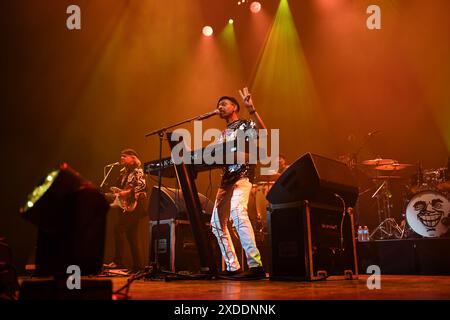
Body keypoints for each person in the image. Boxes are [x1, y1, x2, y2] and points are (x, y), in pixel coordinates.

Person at [210, 87, 267, 280]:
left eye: (224, 103)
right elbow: (214, 155)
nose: (220, 106)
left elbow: (263, 133)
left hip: (242, 176)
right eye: (218, 105)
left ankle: (255, 265)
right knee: (216, 223)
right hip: (225, 181)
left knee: (238, 214)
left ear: (234, 107)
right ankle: (233, 266)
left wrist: (251, 109)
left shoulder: (244, 124)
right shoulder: (223, 133)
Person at [107, 148, 148, 273]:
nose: (122, 158)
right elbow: (121, 189)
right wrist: (116, 192)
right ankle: (138, 267)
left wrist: (126, 193)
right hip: (126, 207)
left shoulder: (138, 171)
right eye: (121, 156)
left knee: (118, 229)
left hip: (134, 207)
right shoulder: (123, 173)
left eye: (125, 156)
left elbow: (142, 185)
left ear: (133, 158)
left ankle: (119, 261)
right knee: (132, 237)